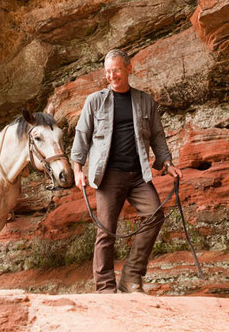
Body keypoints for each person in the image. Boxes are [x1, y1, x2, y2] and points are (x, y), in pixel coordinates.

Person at [71, 49, 183, 293]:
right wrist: (77, 169)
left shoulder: (145, 101)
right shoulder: (95, 101)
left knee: (154, 215)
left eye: (117, 70)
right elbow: (82, 135)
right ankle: (105, 288)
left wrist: (167, 163)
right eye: (108, 72)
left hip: (138, 175)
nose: (112, 76)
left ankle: (131, 277)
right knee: (106, 232)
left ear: (129, 69)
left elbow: (157, 136)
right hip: (108, 176)